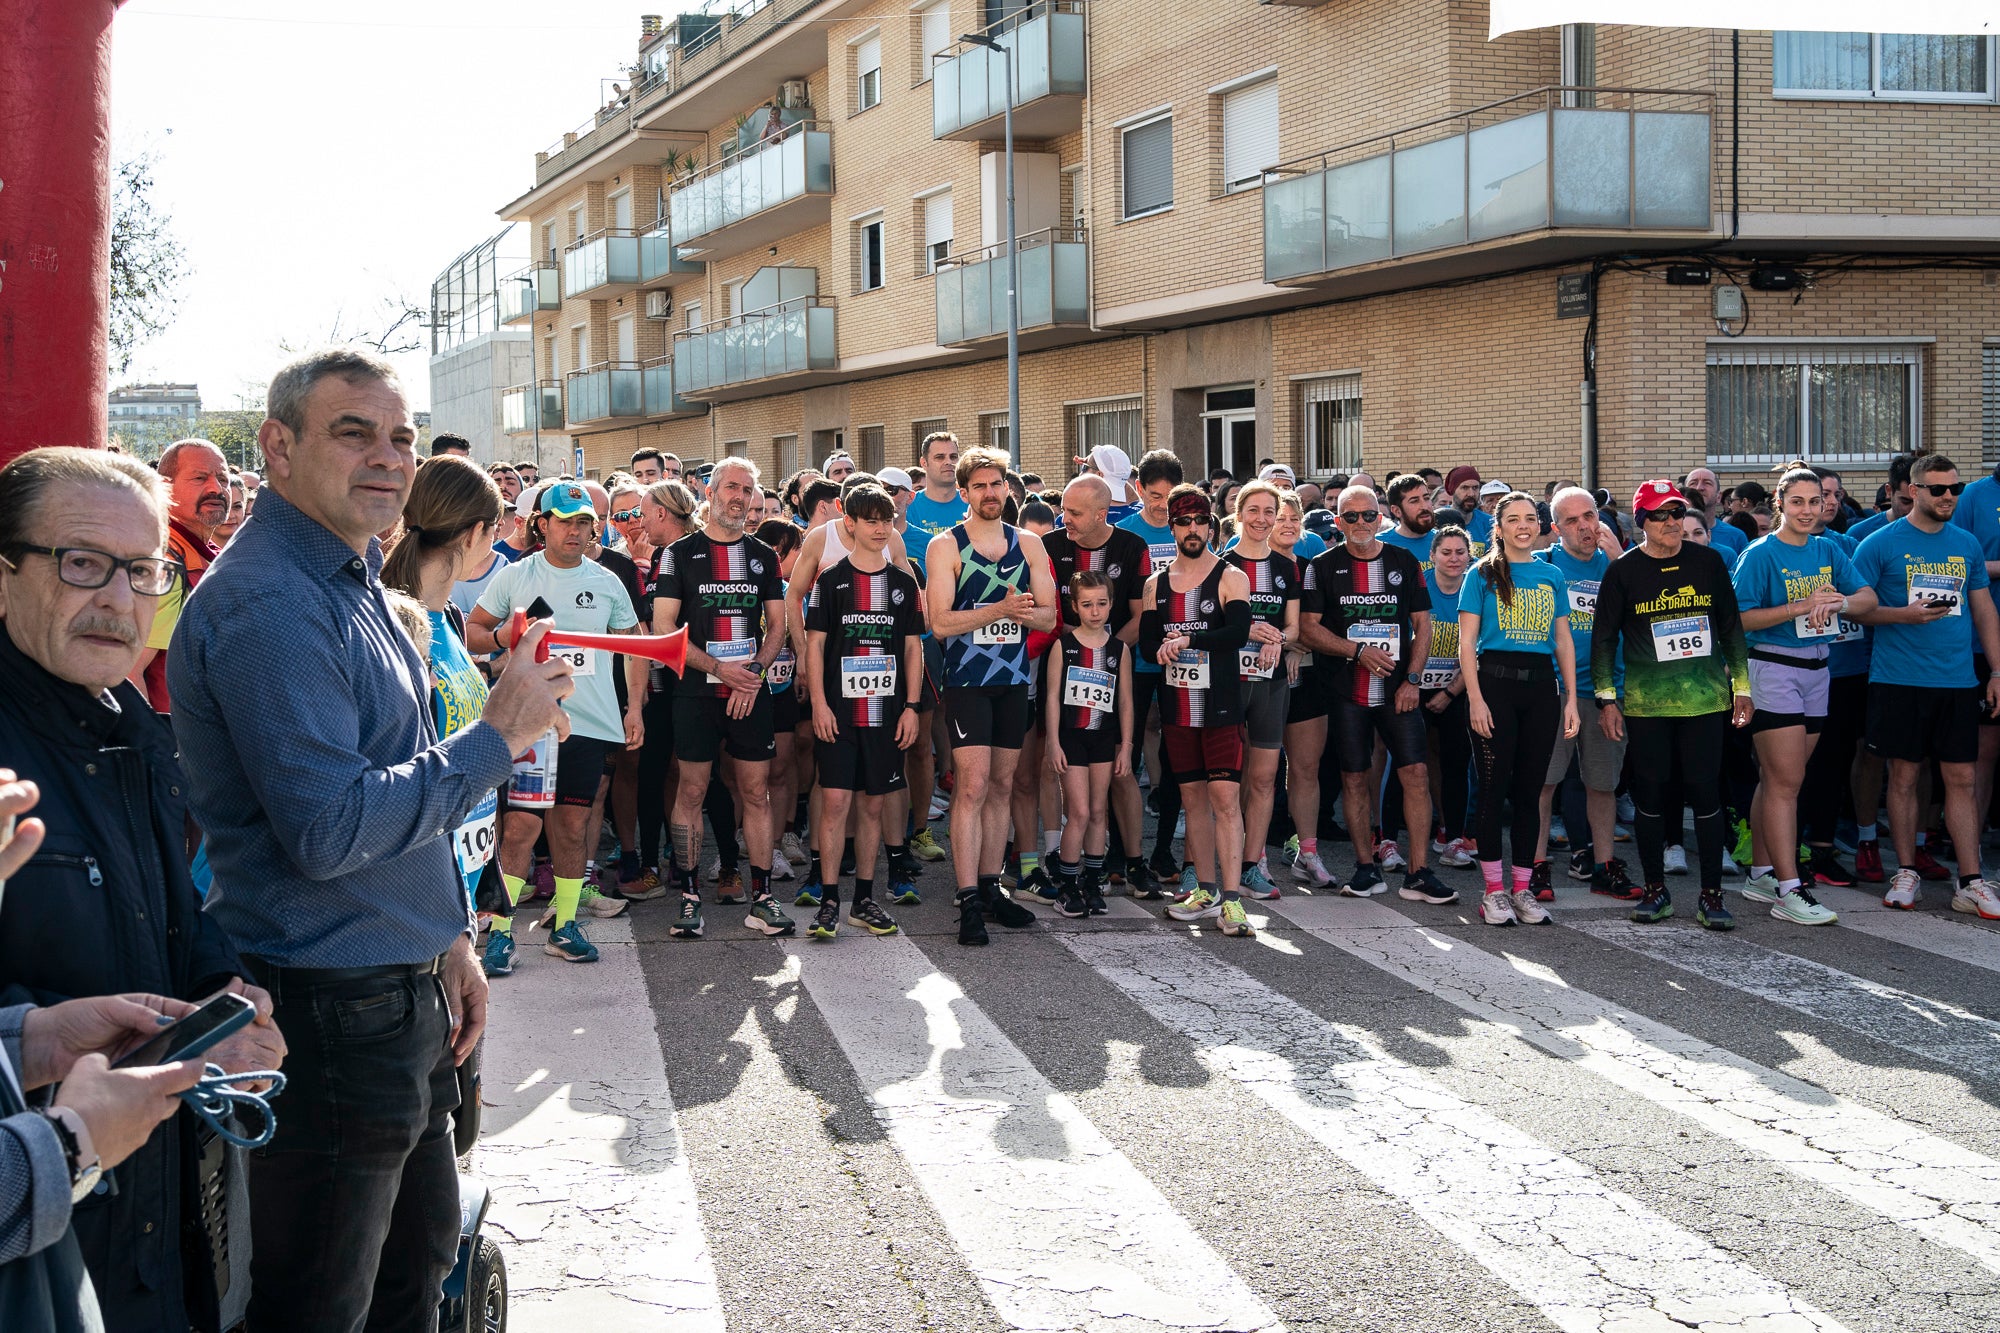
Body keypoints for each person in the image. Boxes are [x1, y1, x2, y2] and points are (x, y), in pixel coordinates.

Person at [168, 348, 575, 1330]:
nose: (387, 457)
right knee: (323, 1304)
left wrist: (448, 939)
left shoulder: (350, 576)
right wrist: (496, 738)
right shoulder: (271, 601)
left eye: (399, 436)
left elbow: (394, 782)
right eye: (354, 432)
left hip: (396, 992)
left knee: (414, 1269)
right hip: (331, 1013)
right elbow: (330, 826)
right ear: (278, 445)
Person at [0, 447, 286, 1331]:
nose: (119, 599)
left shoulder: (133, 721)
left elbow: (170, 914)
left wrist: (224, 997)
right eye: (82, 562)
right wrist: (41, 1048)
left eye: (144, 569)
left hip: (148, 1202)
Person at [467, 482, 644, 966]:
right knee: (521, 829)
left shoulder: (607, 580)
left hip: (587, 726)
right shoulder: (515, 577)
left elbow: (635, 645)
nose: (576, 530)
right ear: (542, 524)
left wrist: (634, 709)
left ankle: (565, 926)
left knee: (571, 827)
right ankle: (501, 932)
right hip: (529, 725)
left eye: (584, 521)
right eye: (566, 521)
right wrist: (504, 635)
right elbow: (474, 633)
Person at [1592, 480, 1751, 930]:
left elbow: (1731, 629)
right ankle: (1656, 890)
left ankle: (1712, 895)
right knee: (1652, 799)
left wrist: (1743, 688)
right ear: (1642, 520)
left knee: (1706, 795)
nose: (1672, 522)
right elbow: (1603, 642)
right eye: (1661, 515)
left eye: (1678, 513)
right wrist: (1607, 700)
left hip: (1704, 702)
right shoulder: (1623, 571)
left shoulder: (1709, 561)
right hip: (1647, 706)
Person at [651, 458, 796, 939]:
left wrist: (751, 674)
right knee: (691, 791)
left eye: (748, 489)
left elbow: (778, 626)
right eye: (730, 486)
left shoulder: (763, 556)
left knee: (756, 791)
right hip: (696, 691)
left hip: (749, 692)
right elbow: (663, 628)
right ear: (710, 492)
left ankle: (763, 897)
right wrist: (718, 669)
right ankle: (691, 896)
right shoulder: (679, 553)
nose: (739, 496)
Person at [1852, 454, 2000, 917]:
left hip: (1957, 679)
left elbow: (1983, 611)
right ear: (1914, 491)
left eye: (1954, 488)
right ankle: (1906, 870)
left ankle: (1971, 880)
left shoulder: (1966, 544)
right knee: (1904, 776)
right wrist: (1903, 615)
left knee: (1961, 776)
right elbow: (1853, 609)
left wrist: (1996, 671)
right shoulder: (1880, 544)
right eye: (1938, 489)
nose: (1949, 497)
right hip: (1899, 679)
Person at [1730, 466, 1877, 926]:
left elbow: (1868, 599)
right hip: (1773, 669)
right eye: (1798, 502)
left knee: (1779, 780)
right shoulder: (1760, 553)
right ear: (1779, 503)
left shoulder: (1829, 549)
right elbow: (1737, 619)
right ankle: (1791, 889)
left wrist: (1839, 602)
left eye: (1815, 502)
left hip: (1818, 670)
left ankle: (1759, 873)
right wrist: (1798, 606)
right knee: (1786, 782)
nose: (1808, 511)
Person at [925, 446, 1056, 946]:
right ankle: (966, 901)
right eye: (978, 486)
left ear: (1008, 488)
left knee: (1003, 786)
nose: (989, 493)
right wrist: (1001, 607)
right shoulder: (946, 546)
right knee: (972, 787)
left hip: (1012, 681)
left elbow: (1048, 616)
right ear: (963, 493)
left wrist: (1017, 614)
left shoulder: (1029, 544)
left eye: (996, 484)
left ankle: (989, 887)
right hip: (966, 683)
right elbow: (940, 623)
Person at [1299, 484, 1440, 901]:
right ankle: (1365, 868)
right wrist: (1356, 651)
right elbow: (1308, 628)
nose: (1360, 522)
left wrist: (1413, 680)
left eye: (1368, 515)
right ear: (1338, 521)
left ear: (1381, 518)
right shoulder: (1322, 566)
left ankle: (1419, 872)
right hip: (1346, 692)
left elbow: (1423, 625)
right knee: (1354, 779)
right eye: (1350, 516)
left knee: (1415, 774)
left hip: (1399, 690)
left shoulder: (1403, 560)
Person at [802, 484, 924, 940]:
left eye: (886, 520)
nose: (879, 529)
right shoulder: (830, 580)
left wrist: (912, 707)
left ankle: (864, 899)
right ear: (849, 523)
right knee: (835, 802)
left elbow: (913, 649)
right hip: (837, 714)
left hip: (887, 716)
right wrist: (818, 703)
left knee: (873, 805)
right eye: (870, 520)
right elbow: (815, 647)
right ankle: (829, 899)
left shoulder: (903, 583)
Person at [1140, 484, 1256, 937]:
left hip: (1222, 707)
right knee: (1192, 802)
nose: (1193, 529)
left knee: (1225, 800)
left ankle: (1231, 900)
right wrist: (1167, 648)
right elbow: (1149, 644)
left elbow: (1239, 633)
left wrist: (1190, 640)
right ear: (1172, 528)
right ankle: (1205, 888)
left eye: (1200, 521)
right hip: (1178, 708)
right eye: (1184, 522)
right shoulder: (1156, 584)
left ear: (1211, 525)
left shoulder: (1231, 577)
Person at [1457, 493, 1578, 926]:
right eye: (1513, 519)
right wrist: (1474, 698)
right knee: (1493, 790)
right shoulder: (1481, 574)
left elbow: (1563, 641)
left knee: (1531, 792)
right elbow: (1467, 642)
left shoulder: (1551, 575)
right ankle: (1493, 891)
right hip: (1494, 685)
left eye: (1530, 518)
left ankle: (1522, 888)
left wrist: (1572, 701)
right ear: (1500, 527)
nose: (1523, 526)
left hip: (1542, 688)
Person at [1041, 476, 1151, 891]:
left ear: (1101, 514)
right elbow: (1047, 610)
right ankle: (1061, 857)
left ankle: (1132, 859)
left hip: (1118, 666)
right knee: (1060, 765)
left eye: (1073, 513)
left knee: (1123, 771)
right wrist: (1081, 648)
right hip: (1063, 667)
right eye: (1063, 510)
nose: (1063, 518)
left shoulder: (1131, 547)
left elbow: (1142, 615)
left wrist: (1105, 653)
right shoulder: (1052, 545)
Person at [1534, 486, 1632, 902]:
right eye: (1571, 520)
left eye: (1589, 516)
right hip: (1553, 689)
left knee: (1602, 785)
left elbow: (1644, 611)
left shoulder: (1623, 566)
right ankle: (1534, 866)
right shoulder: (1543, 564)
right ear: (1556, 529)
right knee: (1543, 783)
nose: (1584, 527)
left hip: (1606, 691)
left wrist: (1619, 561)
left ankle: (1604, 866)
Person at [1221, 481, 1298, 899]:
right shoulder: (1222, 564)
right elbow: (1209, 625)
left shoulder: (1286, 567)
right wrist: (1245, 629)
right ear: (1239, 513)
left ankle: (1252, 864)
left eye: (1270, 512)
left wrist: (1277, 640)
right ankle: (1210, 864)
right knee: (1226, 779)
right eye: (1254, 510)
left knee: (1266, 777)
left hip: (1271, 683)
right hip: (1227, 684)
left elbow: (1295, 626)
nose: (1262, 519)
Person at [1117, 450, 1189, 885]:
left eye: (1170, 496)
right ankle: (1121, 851)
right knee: (1123, 752)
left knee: (1176, 756)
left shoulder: (1193, 529)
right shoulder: (1126, 534)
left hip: (1183, 660)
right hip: (1136, 661)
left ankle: (1163, 850)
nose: (1163, 505)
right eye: (1155, 495)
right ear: (1139, 489)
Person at [1046, 571, 1133, 917]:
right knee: (1078, 813)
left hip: (1103, 738)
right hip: (1072, 738)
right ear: (1075, 607)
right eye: (1087, 605)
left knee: (1099, 812)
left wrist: (1126, 745)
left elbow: (1126, 701)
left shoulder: (1118, 649)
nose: (1095, 611)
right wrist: (1052, 742)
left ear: (1111, 604)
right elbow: (1052, 697)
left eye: (1101, 603)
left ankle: (1092, 883)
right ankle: (1067, 887)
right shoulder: (1063, 647)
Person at [131, 438, 230, 712]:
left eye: (223, 478)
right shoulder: (164, 563)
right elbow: (129, 671)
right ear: (165, 486)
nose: (217, 488)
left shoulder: (206, 550)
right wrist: (156, 746)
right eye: (200, 478)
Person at [1411, 527, 1475, 870]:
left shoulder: (1475, 585)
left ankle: (1452, 836)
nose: (1453, 559)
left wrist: (1450, 692)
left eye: (1460, 552)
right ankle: (1389, 837)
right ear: (1432, 555)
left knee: (1455, 762)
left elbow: (1479, 648)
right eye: (1446, 552)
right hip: (1414, 686)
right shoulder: (1419, 584)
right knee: (1411, 763)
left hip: (1458, 688)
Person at [1682, 467, 1747, 565]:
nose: (1699, 488)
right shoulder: (1669, 538)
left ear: (1719, 497)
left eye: (1707, 483)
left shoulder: (1736, 537)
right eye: (1693, 483)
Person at [1378, 473, 1437, 575]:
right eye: (1414, 501)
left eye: (1426, 498)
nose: (1425, 506)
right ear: (1396, 511)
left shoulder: (1444, 541)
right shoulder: (1379, 545)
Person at [1442, 465, 1494, 556]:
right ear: (1453, 490)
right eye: (1465, 488)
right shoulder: (1438, 519)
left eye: (1475, 488)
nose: (1471, 494)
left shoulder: (1490, 524)